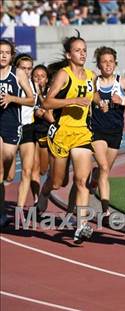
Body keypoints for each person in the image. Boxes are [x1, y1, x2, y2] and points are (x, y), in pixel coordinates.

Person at [37, 31, 95, 244]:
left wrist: (102, 101)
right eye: (78, 50)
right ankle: (44, 192)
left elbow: (91, 95)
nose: (82, 54)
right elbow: (47, 103)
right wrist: (73, 100)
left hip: (82, 133)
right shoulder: (63, 74)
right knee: (58, 181)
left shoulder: (91, 76)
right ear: (69, 55)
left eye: (84, 50)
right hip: (61, 132)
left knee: (82, 181)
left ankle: (81, 226)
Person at [90, 46, 125, 217]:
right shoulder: (94, 82)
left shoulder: (122, 82)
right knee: (103, 167)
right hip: (97, 131)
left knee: (105, 170)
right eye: (104, 62)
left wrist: (122, 101)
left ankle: (94, 176)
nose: (108, 65)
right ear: (99, 65)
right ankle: (105, 211)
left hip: (115, 133)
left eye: (111, 62)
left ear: (115, 64)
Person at [0, 39, 34, 227]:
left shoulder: (17, 73)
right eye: (0, 52)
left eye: (6, 52)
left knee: (9, 168)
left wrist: (12, 98)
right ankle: (1, 213)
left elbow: (31, 100)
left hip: (12, 124)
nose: (3, 55)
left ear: (11, 56)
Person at [13, 53, 37, 211]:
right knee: (8, 174)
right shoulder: (11, 83)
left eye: (29, 69)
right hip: (11, 128)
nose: (27, 72)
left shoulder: (35, 85)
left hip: (28, 129)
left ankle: (19, 209)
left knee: (27, 170)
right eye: (23, 68)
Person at [32, 64, 54, 204]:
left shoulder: (51, 92)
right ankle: (36, 200)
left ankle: (43, 194)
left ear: (47, 79)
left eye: (42, 76)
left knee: (43, 170)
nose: (39, 79)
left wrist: (44, 113)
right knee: (32, 169)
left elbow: (50, 117)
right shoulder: (28, 92)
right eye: (36, 76)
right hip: (32, 133)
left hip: (47, 133)